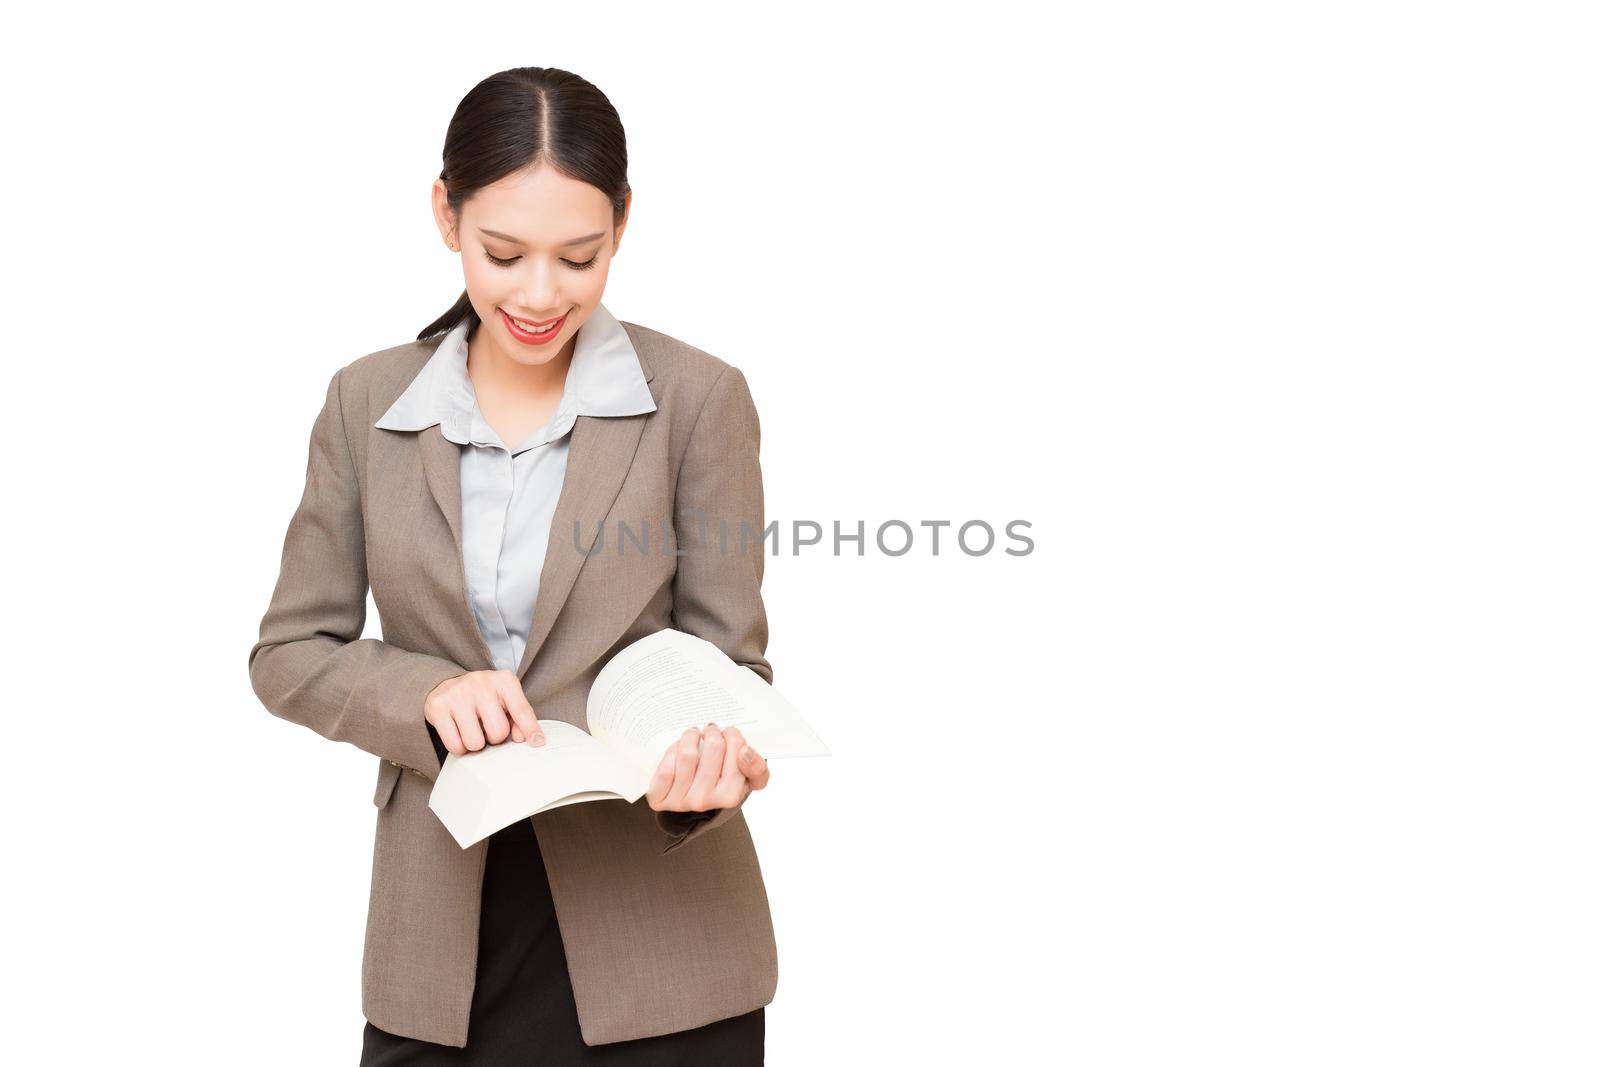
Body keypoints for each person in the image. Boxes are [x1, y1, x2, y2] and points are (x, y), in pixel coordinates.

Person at [248, 66, 779, 1064]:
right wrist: (422, 692)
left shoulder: (700, 399)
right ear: (445, 213)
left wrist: (711, 764)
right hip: (438, 942)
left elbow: (727, 666)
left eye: (579, 257)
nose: (540, 295)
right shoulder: (365, 403)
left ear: (622, 223)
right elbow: (288, 650)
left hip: (664, 951)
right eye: (503, 253)